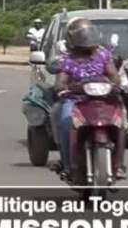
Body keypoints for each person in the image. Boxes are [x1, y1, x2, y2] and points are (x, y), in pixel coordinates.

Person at [51, 17, 124, 181]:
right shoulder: (67, 60)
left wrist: (115, 85)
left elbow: (114, 76)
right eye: (81, 35)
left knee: (121, 122)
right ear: (72, 38)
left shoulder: (104, 54)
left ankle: (118, 165)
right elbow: (60, 83)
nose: (86, 38)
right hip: (75, 100)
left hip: (103, 98)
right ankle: (67, 164)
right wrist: (64, 88)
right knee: (64, 120)